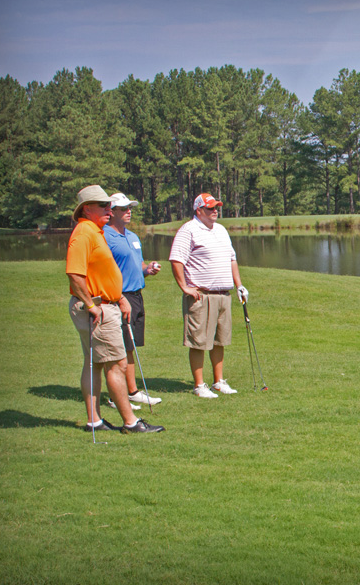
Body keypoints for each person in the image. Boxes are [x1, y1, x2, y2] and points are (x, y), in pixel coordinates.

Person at [66, 185, 164, 433]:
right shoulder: (83, 233)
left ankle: (95, 421)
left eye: (110, 206)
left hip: (109, 302)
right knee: (117, 364)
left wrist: (119, 296)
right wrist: (91, 305)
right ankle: (130, 422)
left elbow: (102, 273)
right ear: (86, 209)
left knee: (95, 364)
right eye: (103, 206)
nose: (109, 210)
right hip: (97, 307)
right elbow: (75, 275)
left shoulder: (96, 231)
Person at [169, 193, 248, 398]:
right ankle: (199, 385)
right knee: (199, 341)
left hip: (223, 294)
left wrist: (239, 285)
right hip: (201, 295)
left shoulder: (221, 230)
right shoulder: (189, 230)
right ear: (199, 210)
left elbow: (232, 259)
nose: (215, 211)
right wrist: (184, 287)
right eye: (211, 208)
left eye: (216, 207)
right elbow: (177, 259)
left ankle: (218, 381)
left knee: (220, 340)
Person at [104, 192, 163, 410]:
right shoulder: (105, 236)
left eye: (130, 207)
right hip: (118, 298)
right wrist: (118, 299)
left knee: (130, 347)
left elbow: (137, 265)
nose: (129, 211)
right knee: (117, 348)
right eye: (123, 208)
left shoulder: (133, 237)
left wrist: (147, 269)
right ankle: (116, 394)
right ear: (111, 212)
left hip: (136, 296)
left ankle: (131, 391)